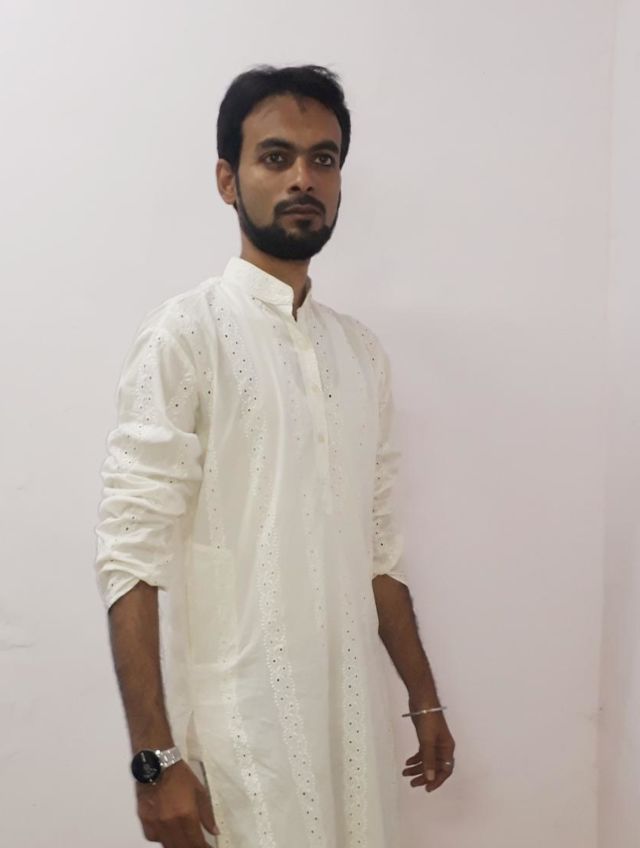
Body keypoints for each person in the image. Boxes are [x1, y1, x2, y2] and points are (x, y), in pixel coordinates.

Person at [94, 63, 456, 848]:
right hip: (241, 741)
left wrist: (424, 699)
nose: (303, 179)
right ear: (228, 180)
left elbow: (378, 549)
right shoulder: (185, 335)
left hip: (354, 728)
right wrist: (155, 762)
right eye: (276, 157)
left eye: (323, 159)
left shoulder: (360, 354)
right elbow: (130, 556)